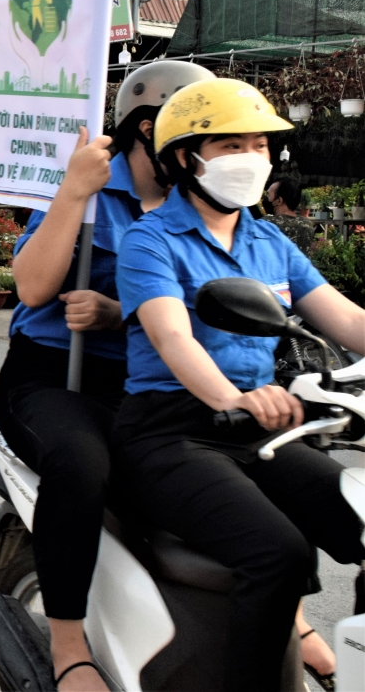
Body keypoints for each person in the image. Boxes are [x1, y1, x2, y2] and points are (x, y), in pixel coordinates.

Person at [114, 78, 365, 692]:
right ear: (184, 157)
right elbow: (174, 339)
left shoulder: (268, 240)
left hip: (263, 432)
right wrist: (235, 396)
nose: (252, 159)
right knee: (277, 553)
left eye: (260, 144)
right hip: (172, 433)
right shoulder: (150, 240)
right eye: (231, 146)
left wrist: (255, 408)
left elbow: (348, 318)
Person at [0, 61, 215, 692]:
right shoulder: (88, 177)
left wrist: (118, 315)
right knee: (81, 462)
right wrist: (71, 193)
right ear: (148, 128)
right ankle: (69, 646)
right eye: (198, 138)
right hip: (53, 378)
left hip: (145, 381)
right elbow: (32, 286)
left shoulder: (198, 202)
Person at [261, 178, 314, 254]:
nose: (266, 199)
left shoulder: (267, 223)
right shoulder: (307, 224)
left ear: (279, 201)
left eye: (269, 195)